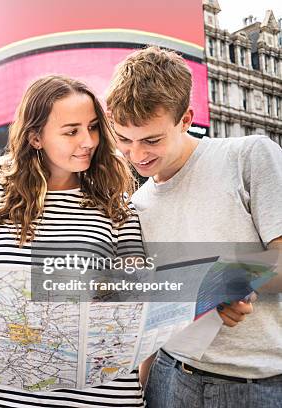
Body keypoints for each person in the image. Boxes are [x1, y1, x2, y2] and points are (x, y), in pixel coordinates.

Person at [0, 75, 145, 407]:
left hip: (100, 397)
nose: (88, 141)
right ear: (36, 137)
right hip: (9, 397)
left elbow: (138, 298)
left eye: (93, 127)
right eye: (71, 131)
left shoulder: (118, 208)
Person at [106, 46, 282, 408]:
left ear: (185, 119)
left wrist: (224, 282)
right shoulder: (138, 205)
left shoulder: (248, 157)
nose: (137, 155)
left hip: (252, 383)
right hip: (168, 375)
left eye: (152, 140)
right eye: (124, 140)